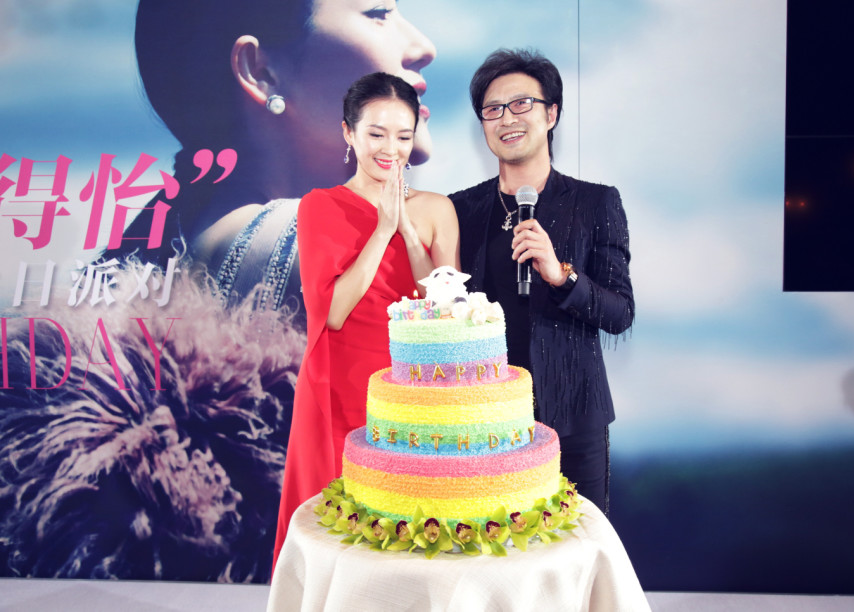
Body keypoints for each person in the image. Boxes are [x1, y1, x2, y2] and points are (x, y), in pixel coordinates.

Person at [105, 0, 436, 319]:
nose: (423, 47)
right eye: (379, 13)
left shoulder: (180, 246)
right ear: (261, 72)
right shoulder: (328, 250)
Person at [273, 72, 459, 567]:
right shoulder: (319, 206)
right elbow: (331, 313)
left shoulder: (439, 208)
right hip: (341, 387)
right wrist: (381, 232)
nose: (390, 149)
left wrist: (411, 237)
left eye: (403, 135)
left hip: (415, 386)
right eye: (376, 133)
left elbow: (445, 310)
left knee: (415, 532)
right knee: (343, 536)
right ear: (348, 133)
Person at [449, 48, 634, 515]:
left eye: (521, 104)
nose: (506, 118)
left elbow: (620, 313)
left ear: (551, 113)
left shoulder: (596, 203)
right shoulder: (461, 210)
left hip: (575, 418)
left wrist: (561, 274)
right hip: (488, 419)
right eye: (492, 109)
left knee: (578, 552)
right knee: (496, 553)